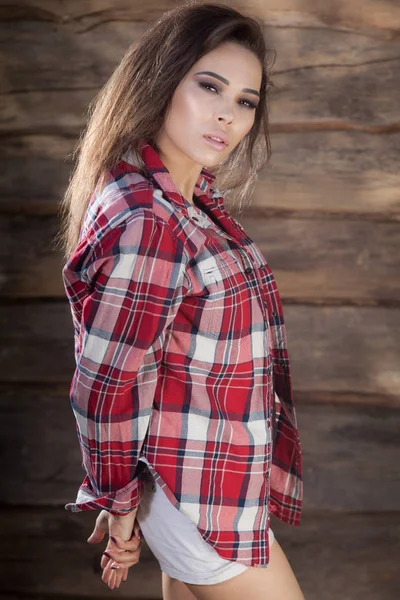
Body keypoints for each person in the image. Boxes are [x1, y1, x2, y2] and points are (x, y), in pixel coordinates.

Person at [57, 2, 304, 599]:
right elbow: (106, 384)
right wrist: (118, 500)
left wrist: (127, 495)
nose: (228, 113)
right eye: (210, 86)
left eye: (246, 101)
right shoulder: (150, 218)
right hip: (198, 498)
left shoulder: (184, 200)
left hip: (202, 485)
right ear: (163, 80)